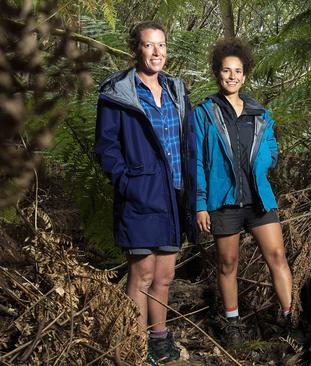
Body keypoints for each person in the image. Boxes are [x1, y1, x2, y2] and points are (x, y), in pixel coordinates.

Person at [95, 21, 196, 364]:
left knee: (165, 276)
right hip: (140, 194)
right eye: (149, 45)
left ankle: (159, 341)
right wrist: (127, 182)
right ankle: (134, 345)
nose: (157, 53)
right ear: (135, 49)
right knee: (143, 274)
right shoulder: (118, 94)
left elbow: (188, 145)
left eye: (162, 45)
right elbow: (107, 147)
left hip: (174, 195)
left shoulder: (176, 90)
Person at [194, 38, 293, 346]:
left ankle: (289, 320)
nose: (232, 76)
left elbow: (272, 147)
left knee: (277, 255)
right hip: (223, 201)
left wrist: (266, 161)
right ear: (217, 73)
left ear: (245, 75)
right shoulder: (205, 113)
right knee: (227, 264)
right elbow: (196, 159)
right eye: (226, 70)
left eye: (238, 71)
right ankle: (233, 323)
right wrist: (199, 203)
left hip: (258, 199)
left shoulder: (259, 112)